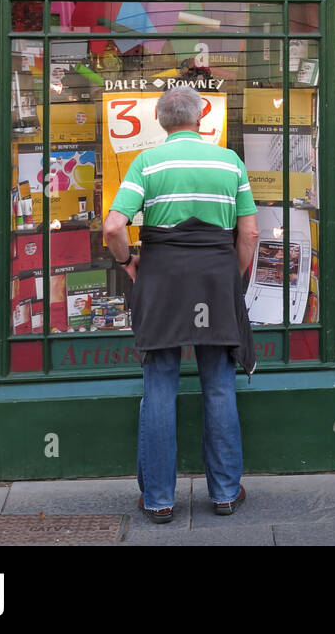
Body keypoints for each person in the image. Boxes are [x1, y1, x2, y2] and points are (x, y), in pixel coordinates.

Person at [103, 85, 259, 523]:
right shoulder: (229, 162)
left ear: (160, 119)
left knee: (159, 385)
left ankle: (157, 499)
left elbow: (114, 227)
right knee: (219, 383)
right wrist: (234, 277)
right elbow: (248, 235)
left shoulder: (147, 163)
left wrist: (129, 263)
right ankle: (226, 493)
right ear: (201, 115)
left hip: (162, 279)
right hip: (215, 277)